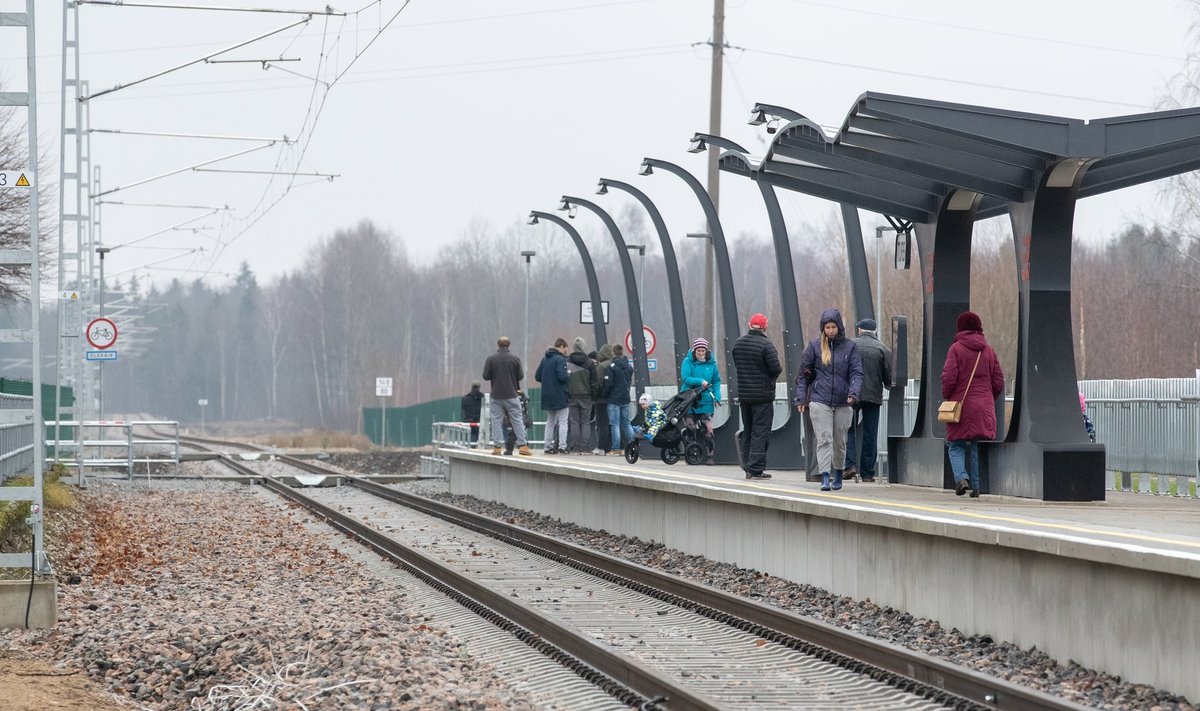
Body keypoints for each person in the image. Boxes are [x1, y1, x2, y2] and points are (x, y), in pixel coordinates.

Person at [794, 309, 863, 491]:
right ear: (823, 329)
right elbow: (803, 374)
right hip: (820, 399)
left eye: (833, 327)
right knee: (824, 438)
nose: (831, 330)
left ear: (839, 327)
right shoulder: (814, 347)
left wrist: (853, 392)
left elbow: (856, 372)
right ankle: (825, 475)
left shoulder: (850, 347)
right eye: (827, 327)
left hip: (843, 401)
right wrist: (801, 398)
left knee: (840, 441)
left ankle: (838, 472)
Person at [940, 311, 1005, 498]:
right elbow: (999, 381)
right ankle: (976, 487)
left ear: (960, 328)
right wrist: (987, 397)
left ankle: (961, 478)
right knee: (977, 443)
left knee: (955, 444)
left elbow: (949, 377)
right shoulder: (989, 351)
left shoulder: (956, 349)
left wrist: (947, 394)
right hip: (983, 406)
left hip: (961, 405)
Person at [731, 313, 782, 479]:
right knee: (761, 432)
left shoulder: (738, 343)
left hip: (745, 396)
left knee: (749, 430)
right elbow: (776, 369)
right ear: (765, 327)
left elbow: (738, 365)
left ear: (749, 324)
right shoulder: (766, 345)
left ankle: (747, 466)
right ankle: (755, 468)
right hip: (762, 396)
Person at [844, 318, 893, 482]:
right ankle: (867, 473)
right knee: (870, 433)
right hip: (873, 395)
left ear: (860, 330)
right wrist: (886, 384)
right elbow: (888, 376)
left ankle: (849, 465)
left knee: (849, 429)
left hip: (851, 394)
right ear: (875, 330)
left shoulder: (850, 345)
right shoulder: (882, 348)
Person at [482, 336, 531, 456]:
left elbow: (486, 376)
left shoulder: (491, 359)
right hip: (511, 394)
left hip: (496, 395)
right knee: (517, 419)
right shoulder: (515, 359)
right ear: (508, 345)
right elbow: (520, 376)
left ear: (498, 345)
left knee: (496, 421)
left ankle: (497, 447)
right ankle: (523, 446)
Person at [680, 337, 721, 464]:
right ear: (694, 351)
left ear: (706, 351)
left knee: (708, 428)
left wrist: (717, 396)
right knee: (690, 427)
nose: (701, 353)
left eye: (703, 351)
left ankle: (710, 456)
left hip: (706, 399)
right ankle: (691, 455)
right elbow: (686, 377)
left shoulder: (712, 364)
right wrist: (701, 381)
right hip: (690, 399)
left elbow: (716, 381)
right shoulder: (688, 361)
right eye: (698, 351)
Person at [535, 338, 570, 453]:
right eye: (565, 349)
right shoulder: (560, 359)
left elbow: (537, 376)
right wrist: (567, 376)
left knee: (550, 421)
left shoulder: (544, 359)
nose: (566, 352)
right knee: (563, 421)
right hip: (559, 393)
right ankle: (562, 446)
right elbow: (562, 377)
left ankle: (548, 446)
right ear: (561, 347)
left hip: (546, 393)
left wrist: (547, 381)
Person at [565, 338, 597, 454]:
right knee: (585, 422)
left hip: (572, 395)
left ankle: (575, 446)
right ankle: (585, 447)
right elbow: (594, 381)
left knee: (574, 421)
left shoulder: (567, 362)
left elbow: (564, 379)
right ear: (584, 347)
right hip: (586, 396)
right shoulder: (589, 363)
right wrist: (593, 395)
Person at [603, 343, 634, 454]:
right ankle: (633, 445)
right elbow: (629, 381)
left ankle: (616, 448)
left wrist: (605, 394)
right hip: (626, 398)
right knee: (626, 423)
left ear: (613, 353)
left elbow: (608, 384)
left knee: (615, 424)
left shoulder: (612, 367)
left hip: (614, 399)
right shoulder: (628, 366)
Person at [593, 344, 614, 454]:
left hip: (601, 400)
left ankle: (601, 447)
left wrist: (595, 396)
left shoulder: (601, 367)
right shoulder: (615, 364)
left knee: (602, 424)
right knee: (614, 424)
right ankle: (613, 447)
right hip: (615, 399)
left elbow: (598, 383)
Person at [500, 390, 533, 455]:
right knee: (521, 433)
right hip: (522, 418)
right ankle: (524, 446)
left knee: (512, 434)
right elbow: (527, 401)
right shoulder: (523, 397)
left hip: (513, 418)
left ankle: (509, 449)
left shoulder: (511, 397)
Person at [460, 381, 484, 447]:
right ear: (479, 387)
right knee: (483, 441)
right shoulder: (483, 397)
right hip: (480, 422)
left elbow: (464, 409)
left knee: (470, 441)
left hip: (469, 422)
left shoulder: (465, 398)